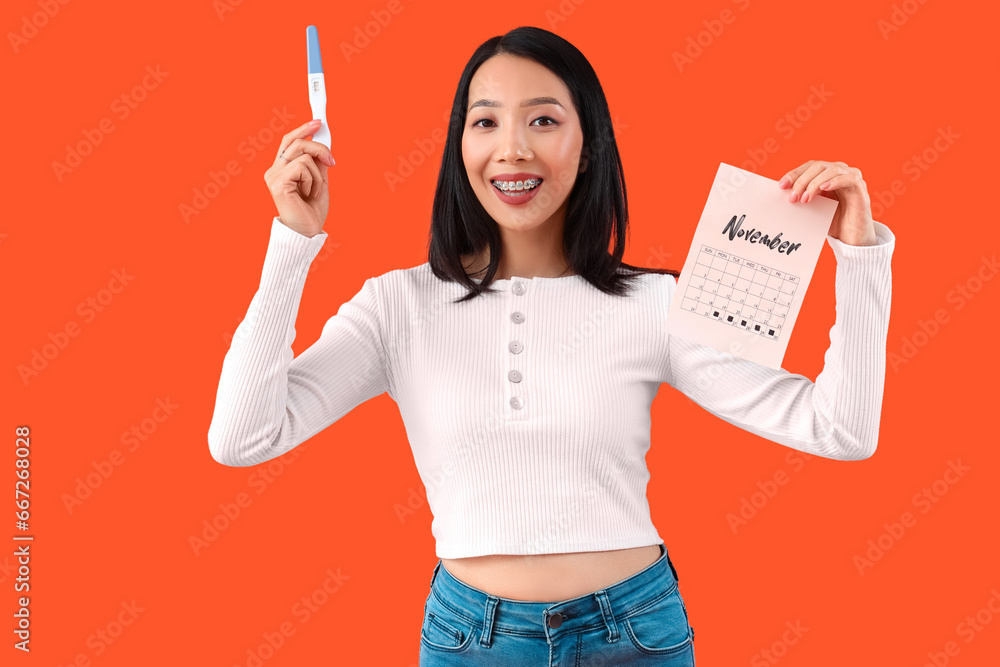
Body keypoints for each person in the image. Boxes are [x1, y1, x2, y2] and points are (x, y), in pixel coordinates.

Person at [208, 25, 894, 666]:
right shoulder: (397, 306)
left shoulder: (656, 302)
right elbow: (243, 436)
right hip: (467, 640)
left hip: (634, 632)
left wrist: (860, 259)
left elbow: (841, 429)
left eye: (543, 119)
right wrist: (292, 243)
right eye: (486, 122)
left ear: (588, 142)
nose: (512, 148)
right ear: (461, 147)